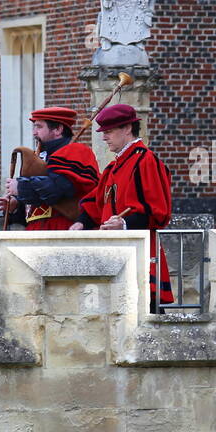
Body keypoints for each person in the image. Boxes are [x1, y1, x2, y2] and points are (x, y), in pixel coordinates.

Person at [70, 104, 175, 309]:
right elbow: (96, 203)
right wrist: (81, 223)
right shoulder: (113, 166)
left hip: (141, 255)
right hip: (115, 254)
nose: (104, 137)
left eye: (109, 132)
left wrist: (125, 223)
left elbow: (159, 212)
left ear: (127, 128)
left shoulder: (146, 161)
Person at [0, 106, 99, 230]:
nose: (34, 132)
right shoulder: (37, 158)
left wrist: (20, 187)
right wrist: (15, 206)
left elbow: (59, 189)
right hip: (35, 232)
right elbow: (33, 213)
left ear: (58, 129)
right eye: (34, 127)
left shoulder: (77, 151)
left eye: (39, 127)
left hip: (63, 229)